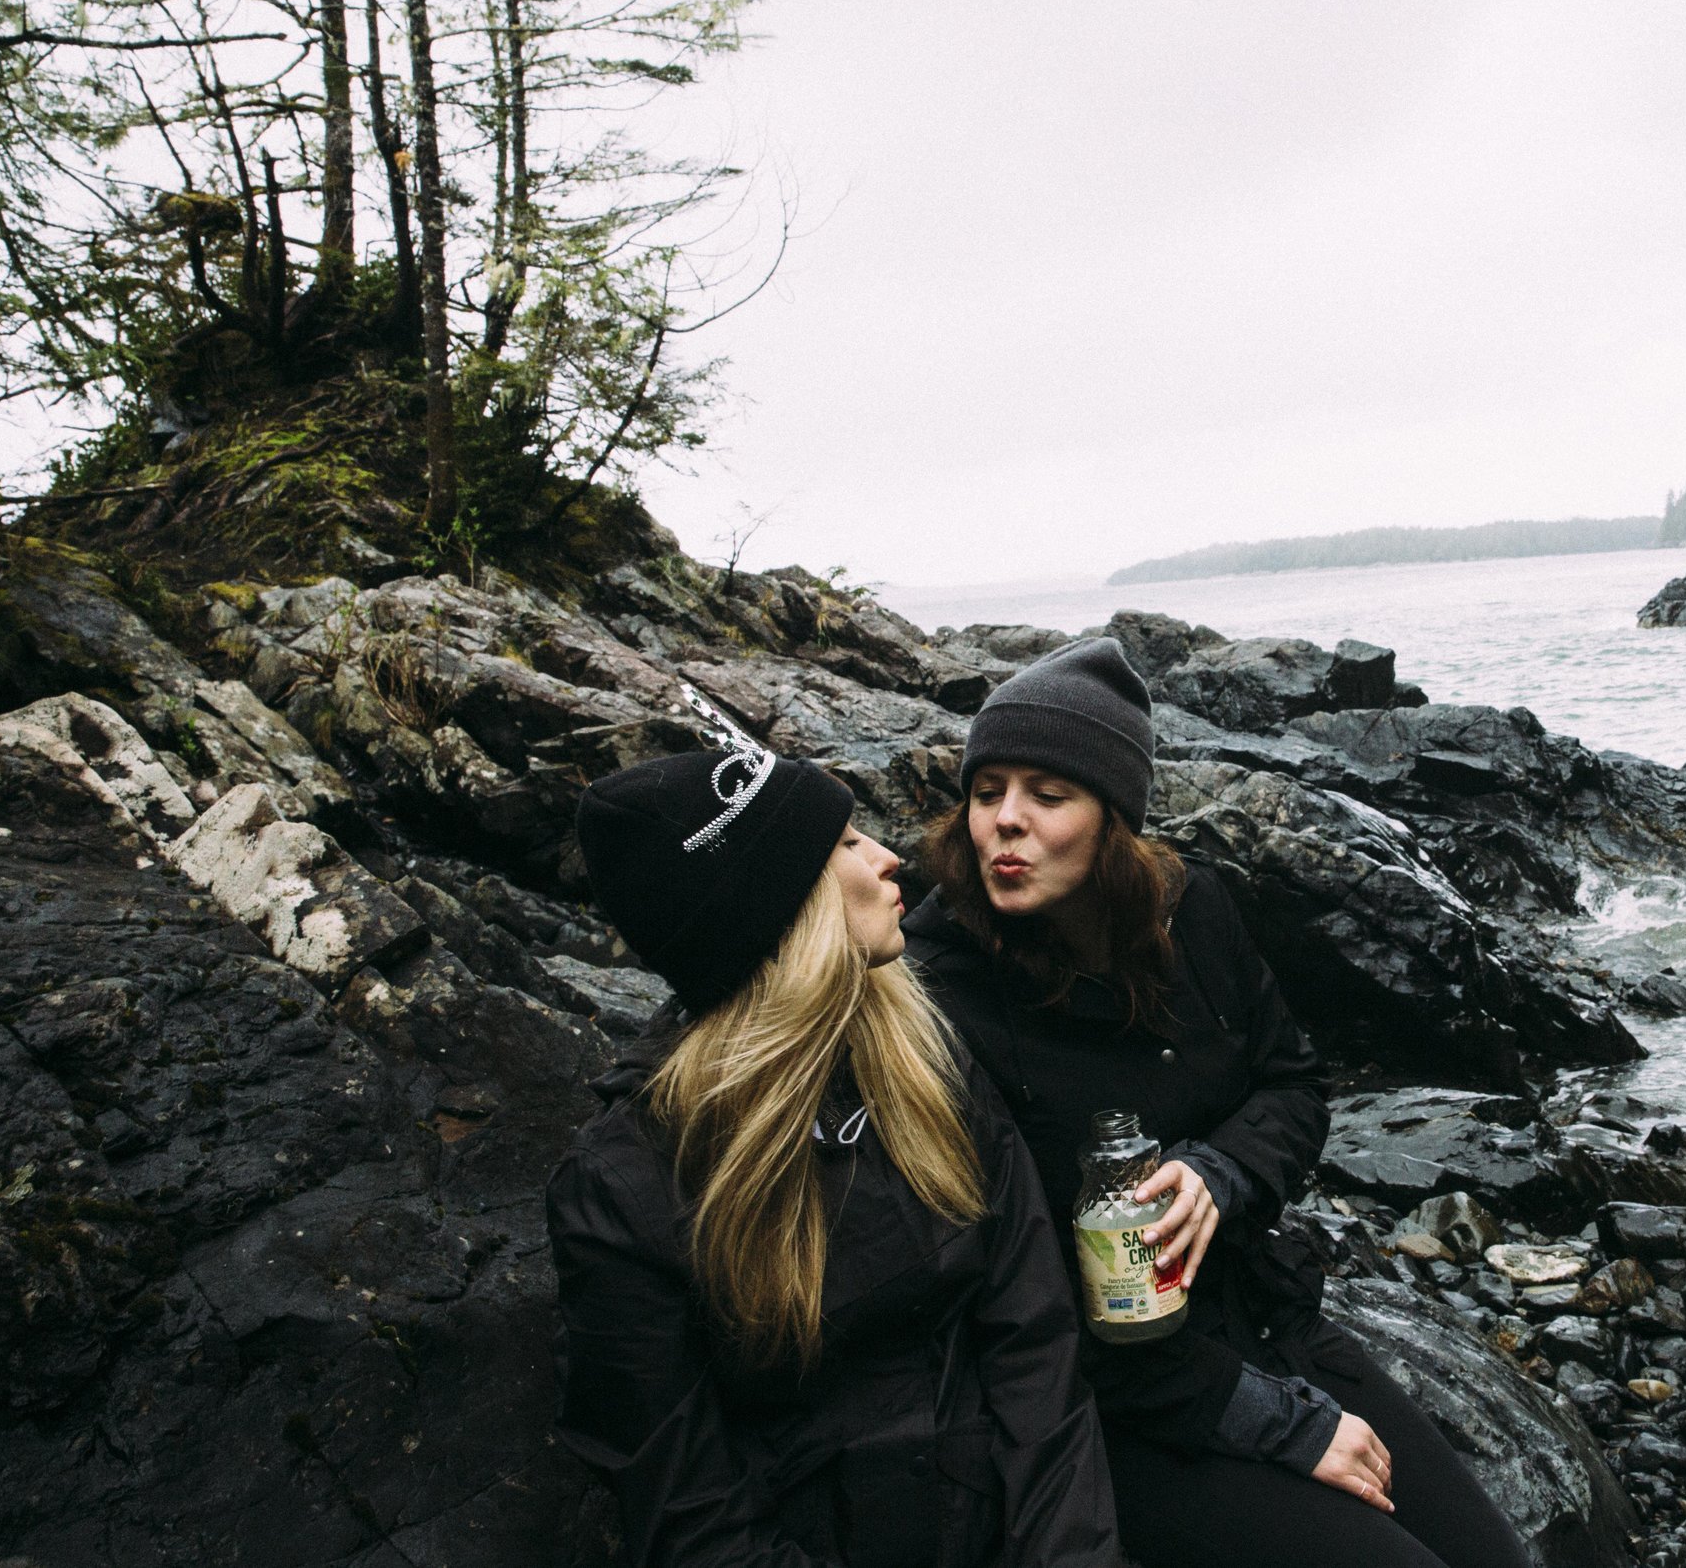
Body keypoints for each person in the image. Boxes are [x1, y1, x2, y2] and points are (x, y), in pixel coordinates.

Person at [902, 638, 1533, 1568]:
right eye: (987, 789)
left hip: (1263, 1312)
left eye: (1047, 793)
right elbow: (1015, 1302)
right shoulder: (942, 988)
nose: (1005, 821)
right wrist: (1281, 1424)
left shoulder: (1188, 911)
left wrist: (1219, 1172)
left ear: (1113, 812)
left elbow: (1293, 1080)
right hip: (1121, 1402)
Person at [547, 723, 1125, 1568]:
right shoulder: (627, 1182)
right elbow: (691, 1518)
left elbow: (1035, 1343)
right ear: (778, 909)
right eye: (847, 841)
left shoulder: (924, 1062)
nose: (889, 857)